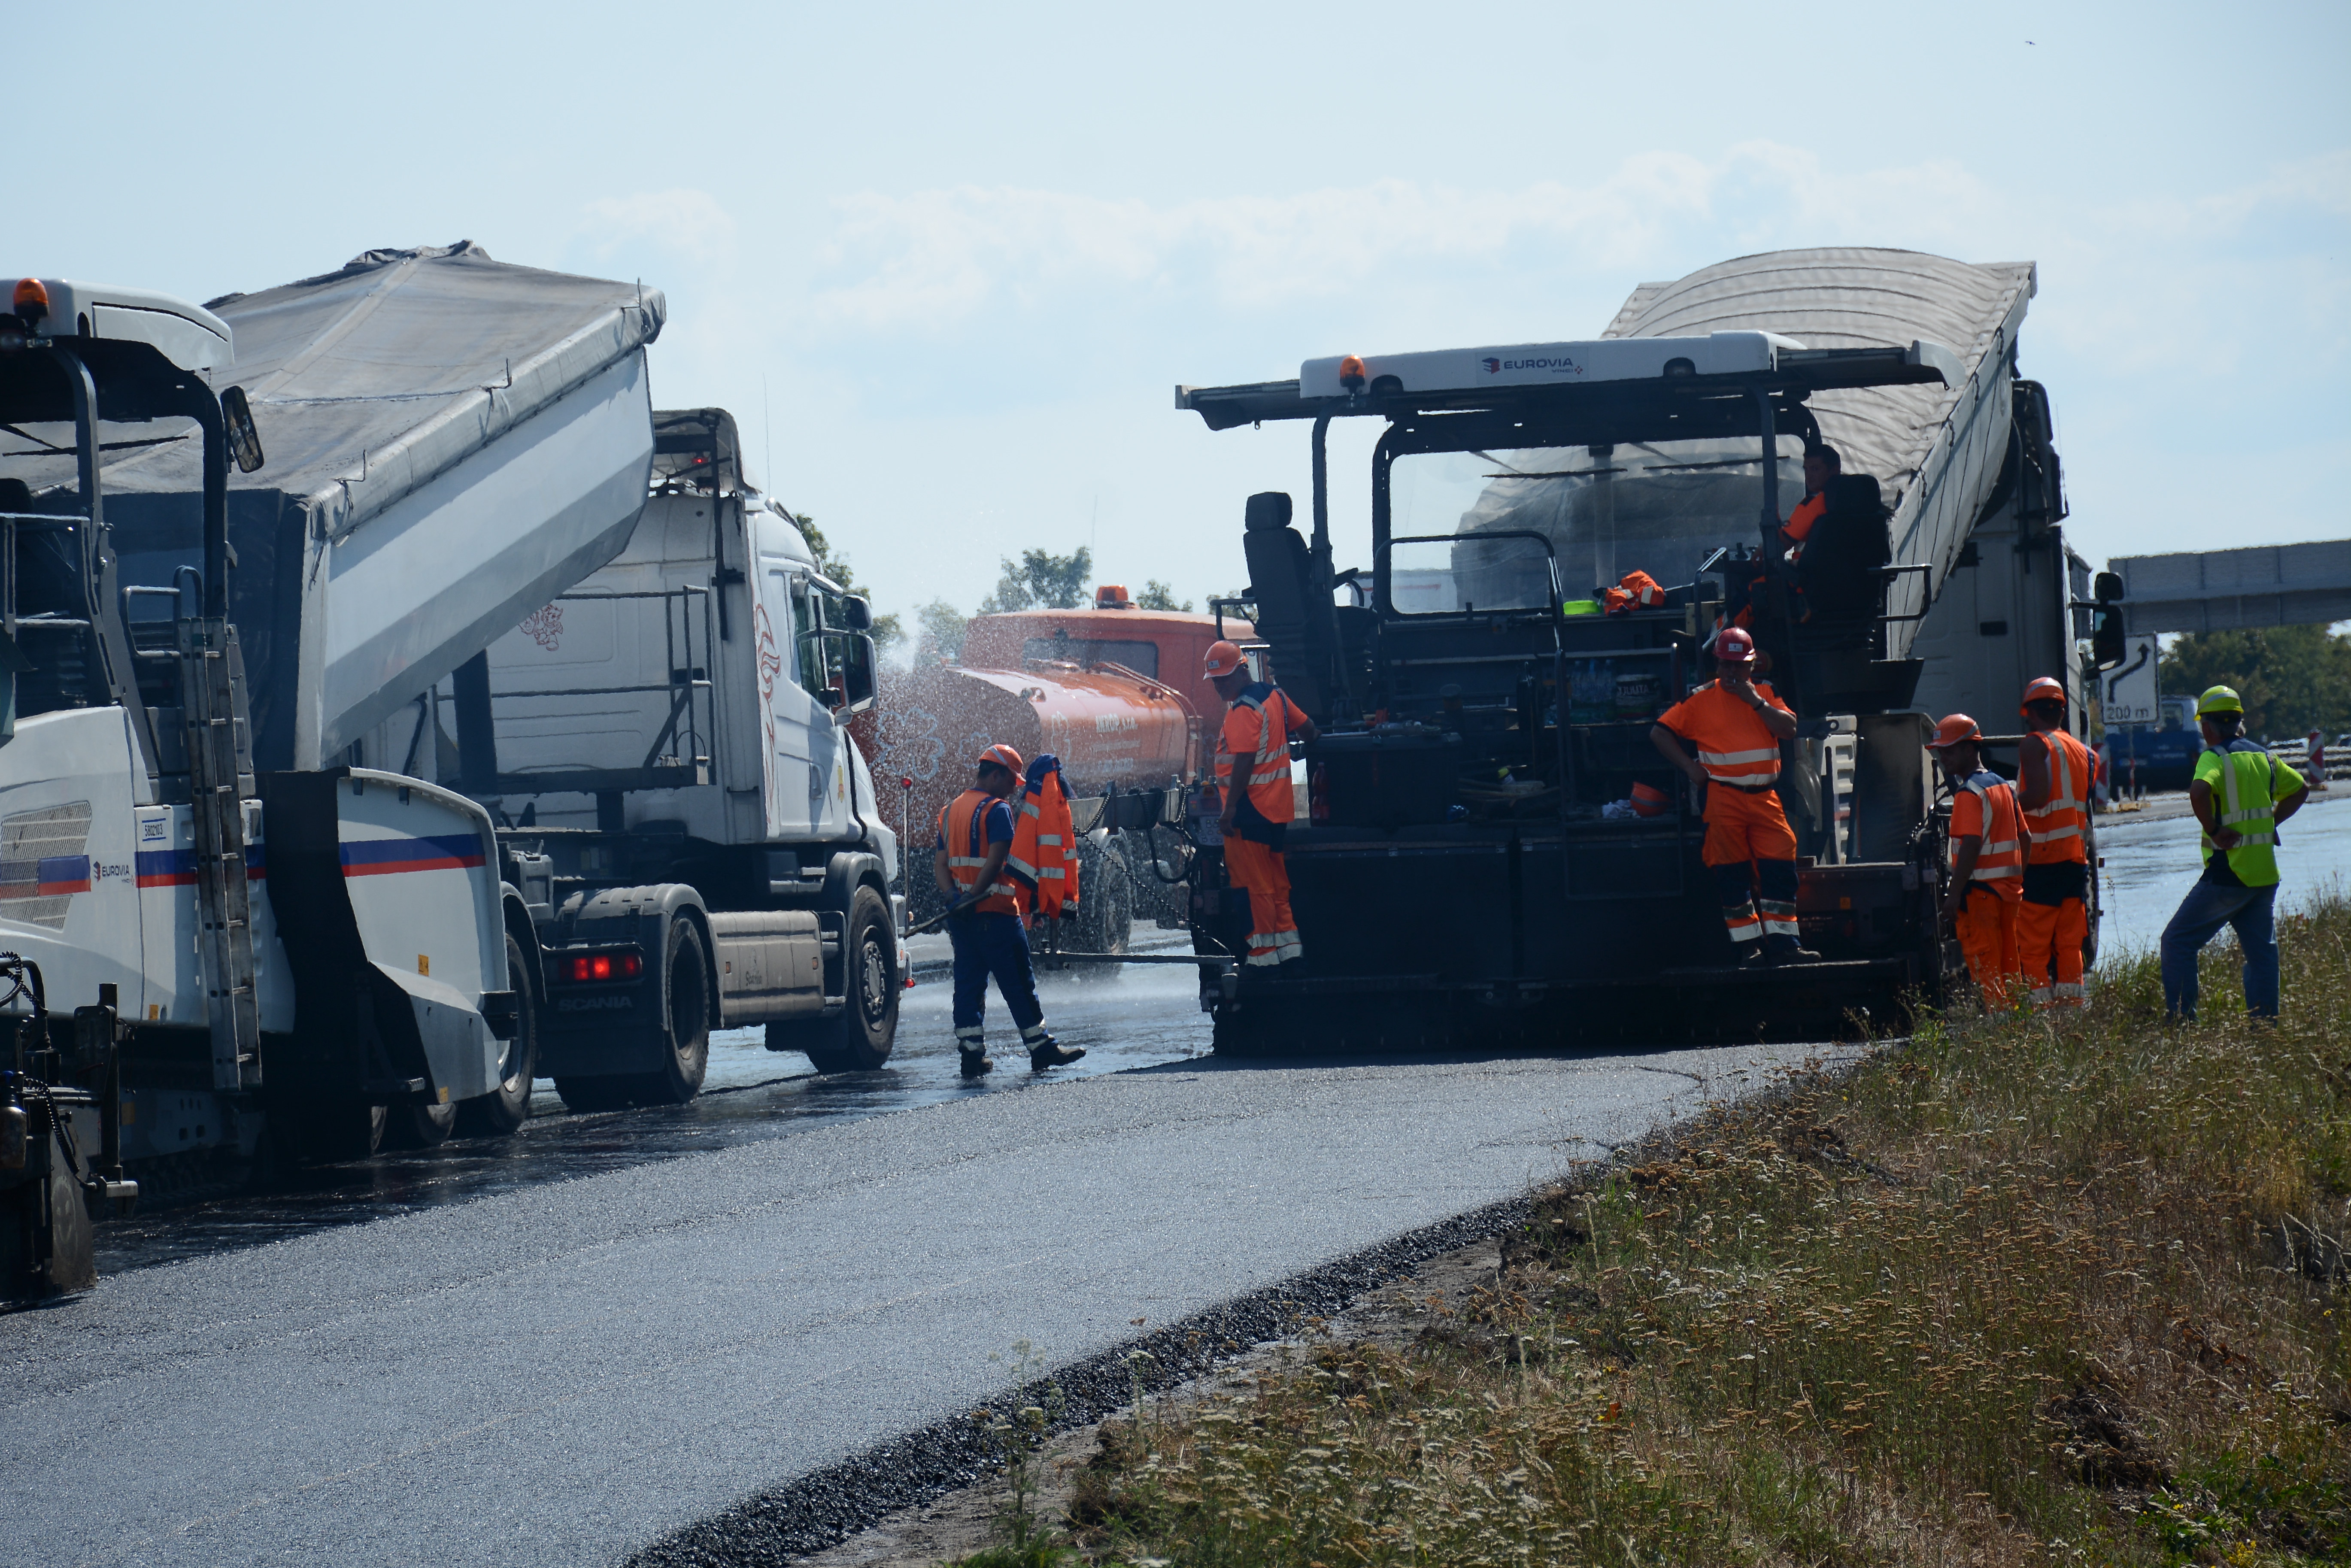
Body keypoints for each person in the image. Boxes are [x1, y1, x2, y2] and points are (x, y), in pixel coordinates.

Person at [1650, 625, 1819, 966]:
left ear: (1752, 666)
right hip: (1723, 797)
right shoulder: (1699, 698)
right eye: (1725, 665)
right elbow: (1660, 732)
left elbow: (1788, 729)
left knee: (1780, 868)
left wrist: (1754, 701)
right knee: (1732, 874)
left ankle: (1785, 945)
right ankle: (1749, 947)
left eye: (1738, 665)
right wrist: (1689, 767)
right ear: (1716, 664)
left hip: (1764, 797)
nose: (1730, 672)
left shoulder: (1766, 692)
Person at [2160, 685, 2309, 1020]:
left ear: (2207, 726)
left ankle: (2182, 1023)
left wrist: (2213, 830)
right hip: (2262, 875)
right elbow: (2301, 788)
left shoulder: (2213, 757)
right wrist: (2272, 821)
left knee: (2176, 942)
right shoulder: (2264, 757)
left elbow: (2198, 791)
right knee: (2261, 956)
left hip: (2228, 874)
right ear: (2239, 722)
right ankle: (2265, 1026)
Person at [935, 743, 1084, 1077]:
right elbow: (997, 860)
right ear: (996, 774)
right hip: (998, 913)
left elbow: (941, 865)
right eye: (1010, 781)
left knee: (968, 985)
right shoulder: (996, 809)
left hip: (963, 918)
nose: (1012, 790)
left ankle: (971, 1055)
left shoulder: (949, 811)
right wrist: (975, 893)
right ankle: (1041, 1048)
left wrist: (953, 896)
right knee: (1018, 982)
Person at [1206, 640, 1319, 966]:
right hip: (1276, 811)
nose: (1218, 687)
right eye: (1215, 681)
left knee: (1252, 887)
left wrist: (1228, 811)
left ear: (1243, 670)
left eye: (1224, 679)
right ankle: (1289, 953)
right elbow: (1310, 730)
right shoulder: (1277, 697)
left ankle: (1263, 960)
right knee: (1275, 884)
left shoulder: (1243, 709)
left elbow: (1244, 760)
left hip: (1247, 811)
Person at [1927, 714, 2024, 1008]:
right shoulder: (2003, 787)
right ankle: (2015, 1027)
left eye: (1949, 750)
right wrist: (2018, 880)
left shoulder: (1969, 794)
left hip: (1980, 897)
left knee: (1988, 970)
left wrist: (1952, 896)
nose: (1943, 757)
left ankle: (1998, 1032)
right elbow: (2027, 837)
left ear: (1970, 749)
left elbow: (1970, 843)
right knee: (2010, 968)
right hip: (2007, 894)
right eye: (1940, 751)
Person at [2014, 675, 2096, 1007]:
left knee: (2032, 945)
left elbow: (2036, 796)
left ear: (2029, 713)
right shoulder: (2087, 754)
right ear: (2062, 712)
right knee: (2069, 943)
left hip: (2041, 861)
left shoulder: (2034, 744)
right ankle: (2071, 1012)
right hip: (2074, 861)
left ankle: (2040, 1015)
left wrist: (2005, 803)